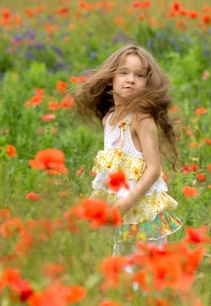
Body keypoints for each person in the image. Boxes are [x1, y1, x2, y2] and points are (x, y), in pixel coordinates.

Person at [73, 44, 182, 255]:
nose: (130, 79)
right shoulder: (109, 120)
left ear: (147, 83)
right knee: (123, 262)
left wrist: (127, 203)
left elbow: (153, 169)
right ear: (110, 79)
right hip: (123, 210)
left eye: (139, 75)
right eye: (124, 73)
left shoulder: (142, 120)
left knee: (145, 264)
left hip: (142, 209)